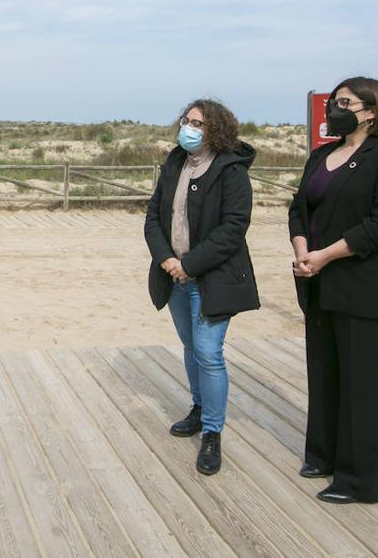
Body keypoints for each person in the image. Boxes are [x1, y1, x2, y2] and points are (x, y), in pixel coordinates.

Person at [289, 76, 378, 504]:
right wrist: (304, 250)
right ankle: (322, 455)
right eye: (333, 102)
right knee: (324, 375)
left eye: (345, 102)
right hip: (319, 286)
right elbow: (299, 209)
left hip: (366, 290)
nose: (334, 109)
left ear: (371, 111)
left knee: (363, 387)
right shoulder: (322, 155)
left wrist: (326, 255)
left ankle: (359, 480)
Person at [144, 98, 260, 475]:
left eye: (198, 124)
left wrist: (189, 264)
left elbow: (233, 228)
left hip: (211, 279)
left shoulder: (231, 170)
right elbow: (153, 216)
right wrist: (166, 259)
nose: (188, 128)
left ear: (216, 131)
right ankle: (198, 408)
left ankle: (212, 432)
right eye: (186, 120)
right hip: (173, 275)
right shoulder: (175, 162)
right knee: (192, 347)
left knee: (209, 352)